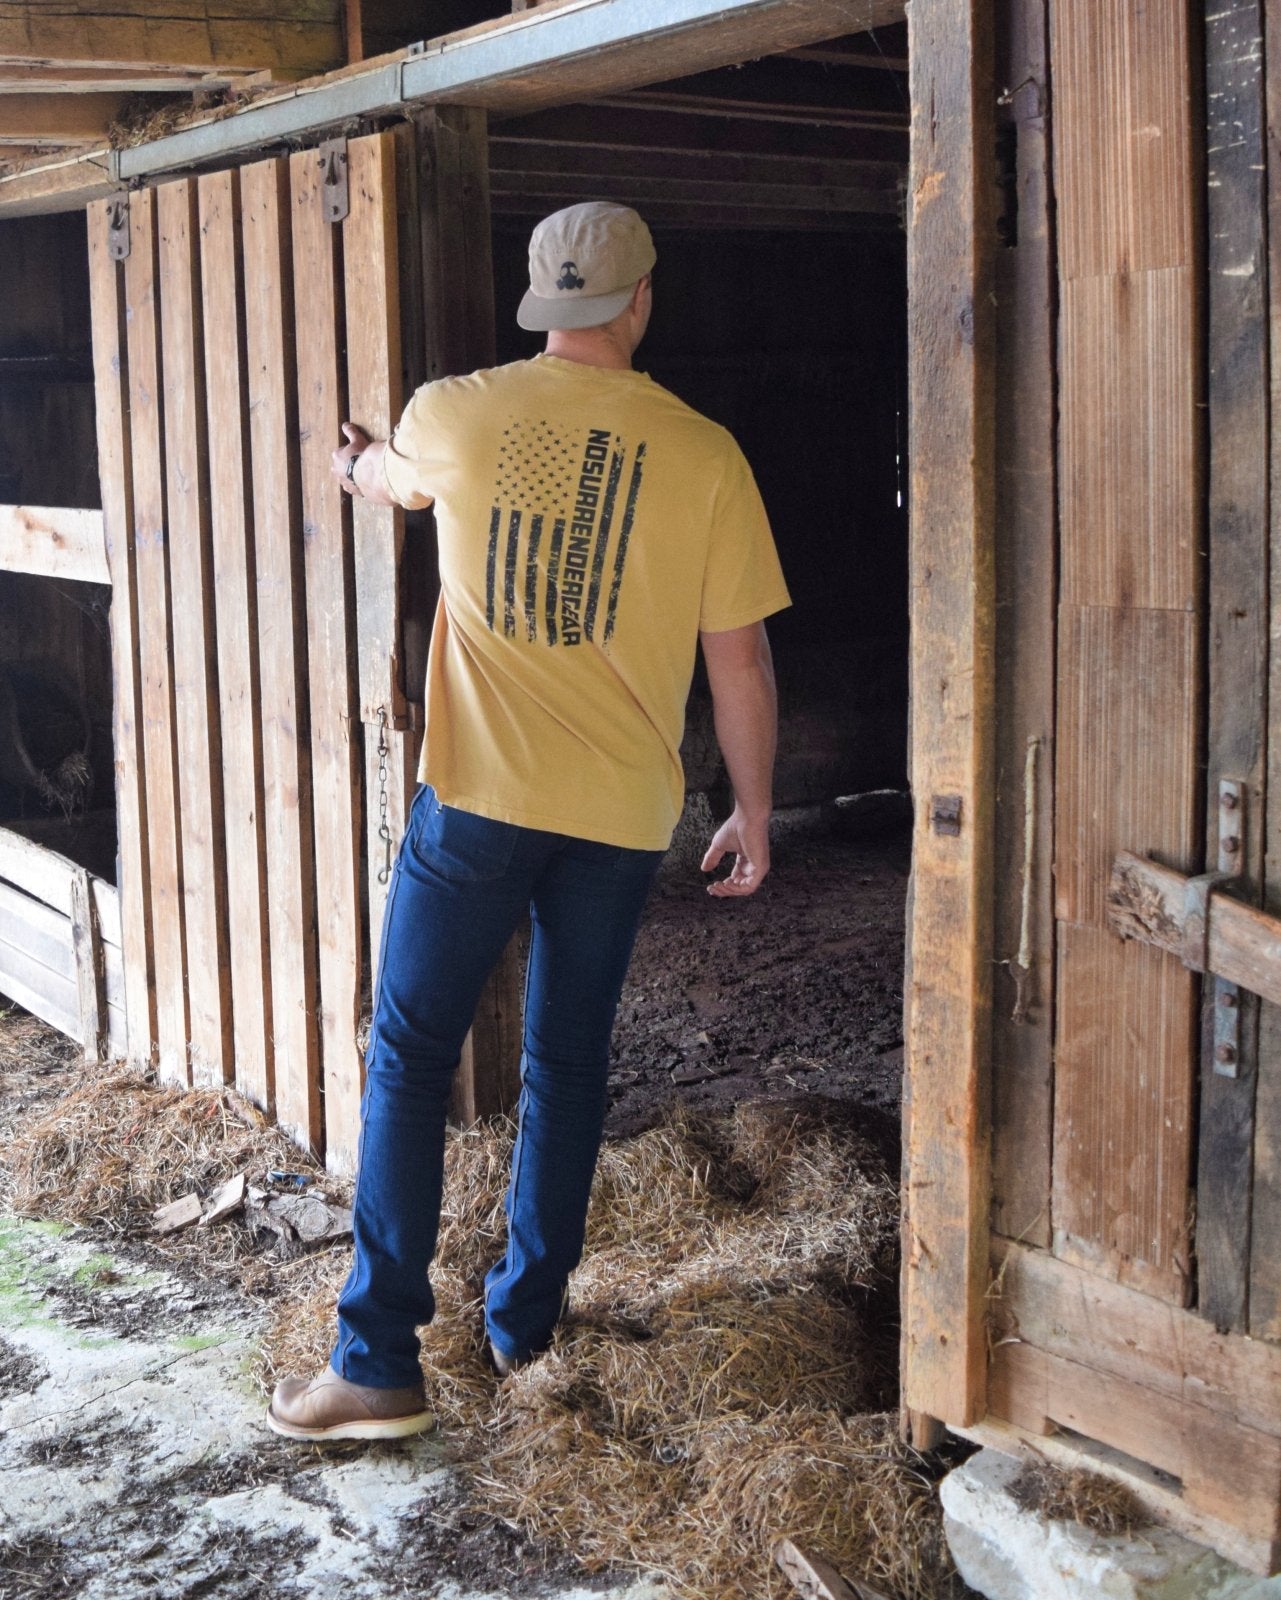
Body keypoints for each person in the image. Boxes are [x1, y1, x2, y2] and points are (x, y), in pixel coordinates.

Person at [267, 201, 790, 1441]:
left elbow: (389, 480)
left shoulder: (453, 412)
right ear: (642, 300)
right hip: (617, 819)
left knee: (406, 1054)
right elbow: (744, 669)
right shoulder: (706, 456)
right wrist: (755, 815)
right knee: (566, 1064)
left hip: (480, 803)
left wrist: (351, 465)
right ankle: (524, 1326)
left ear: (541, 302)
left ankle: (379, 1356)